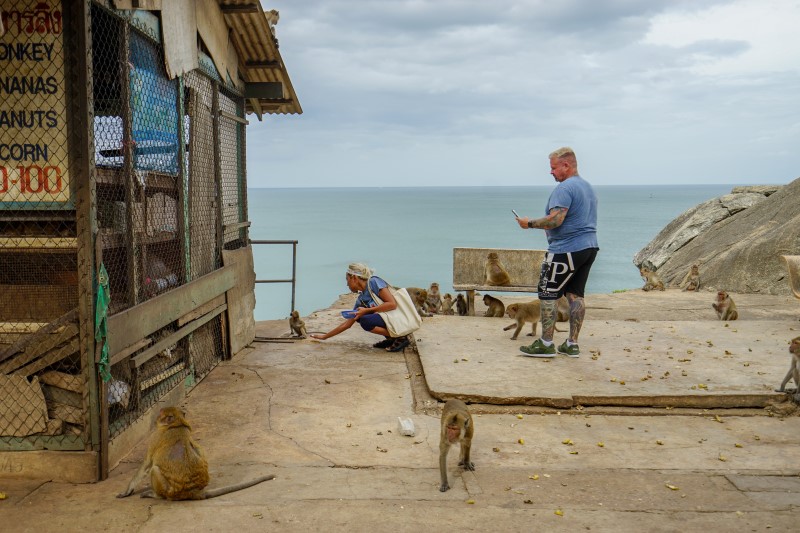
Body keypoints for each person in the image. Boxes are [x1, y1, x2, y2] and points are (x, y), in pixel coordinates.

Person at [514, 147, 599, 358]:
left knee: (547, 294)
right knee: (576, 295)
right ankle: (571, 344)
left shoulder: (565, 188)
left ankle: (546, 343)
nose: (551, 172)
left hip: (565, 250)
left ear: (566, 165)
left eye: (553, 168)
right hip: (588, 247)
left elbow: (556, 219)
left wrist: (529, 223)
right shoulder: (587, 187)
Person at [310, 263, 411, 352]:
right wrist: (325, 337)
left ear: (354, 278)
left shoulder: (373, 282)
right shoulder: (361, 299)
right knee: (358, 316)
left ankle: (400, 336)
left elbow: (392, 304)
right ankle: (392, 338)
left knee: (364, 320)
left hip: (397, 317)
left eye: (347, 280)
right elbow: (347, 324)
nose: (347, 284)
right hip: (389, 319)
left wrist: (367, 310)